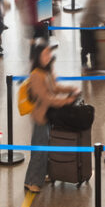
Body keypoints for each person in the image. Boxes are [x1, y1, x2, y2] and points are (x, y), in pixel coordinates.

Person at [21, 40, 80, 193]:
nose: (48, 56)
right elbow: (46, 98)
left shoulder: (47, 70)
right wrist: (66, 101)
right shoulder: (35, 75)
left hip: (49, 115)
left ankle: (44, 174)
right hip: (41, 116)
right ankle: (31, 181)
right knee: (39, 149)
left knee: (46, 146)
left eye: (49, 53)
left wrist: (70, 88)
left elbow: (55, 87)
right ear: (38, 56)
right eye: (45, 54)